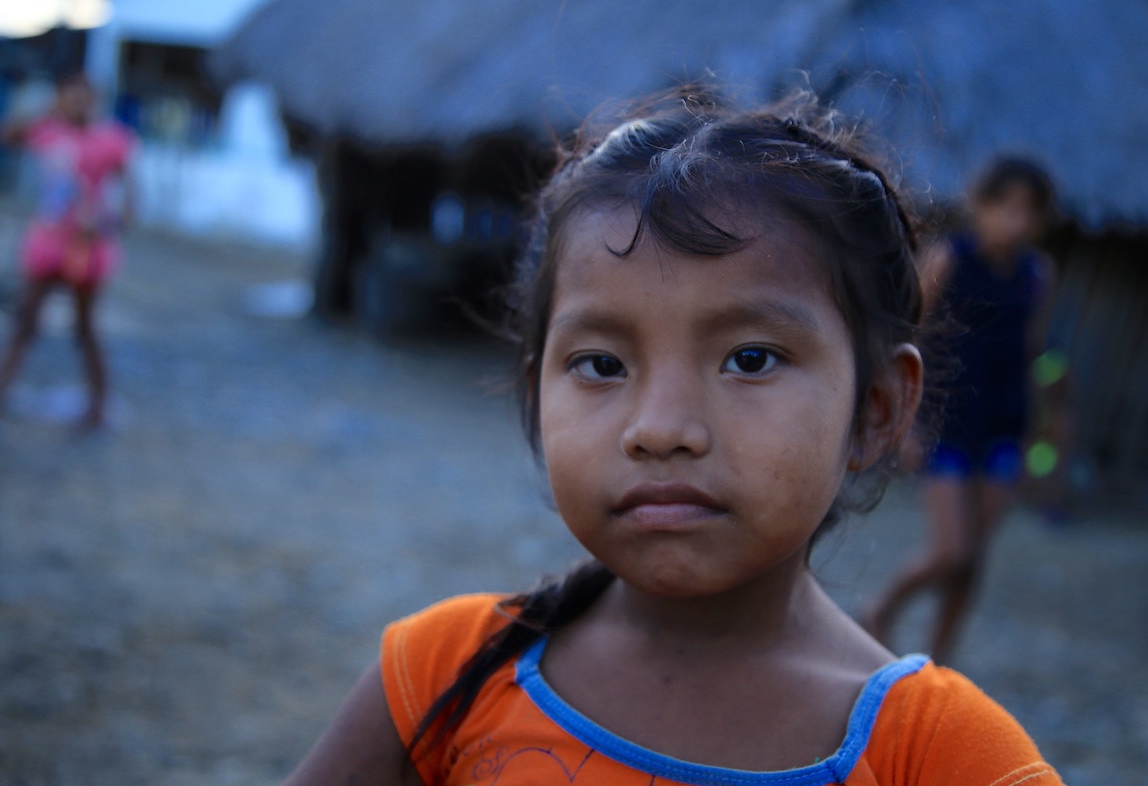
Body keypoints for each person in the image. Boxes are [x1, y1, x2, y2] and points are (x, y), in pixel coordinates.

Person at [284, 92, 1062, 785]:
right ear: (535, 394)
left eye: (750, 360)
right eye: (601, 364)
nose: (661, 429)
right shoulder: (441, 672)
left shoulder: (944, 758)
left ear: (878, 409)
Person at [863, 157, 1056, 662]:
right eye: (1003, 205)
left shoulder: (1037, 274)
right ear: (980, 205)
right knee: (954, 550)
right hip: (946, 416)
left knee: (974, 561)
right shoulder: (950, 259)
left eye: (1027, 210)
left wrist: (1038, 439)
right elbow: (908, 338)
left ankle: (941, 659)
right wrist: (905, 422)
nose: (1013, 219)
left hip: (1005, 423)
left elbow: (1034, 354)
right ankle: (882, 607)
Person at [0, 72, 135, 430]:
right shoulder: (47, 131)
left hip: (86, 248)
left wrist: (104, 225)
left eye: (82, 96)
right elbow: (9, 134)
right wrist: (44, 110)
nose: (76, 103)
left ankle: (98, 405)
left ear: (95, 99)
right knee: (26, 321)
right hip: (47, 244)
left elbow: (132, 204)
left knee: (85, 328)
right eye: (68, 96)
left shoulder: (112, 140)